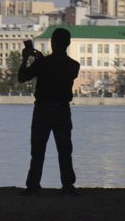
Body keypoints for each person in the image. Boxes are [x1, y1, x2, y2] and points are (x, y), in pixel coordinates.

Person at [17, 27, 80, 194]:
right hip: (62, 111)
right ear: (68, 44)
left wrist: (26, 59)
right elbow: (57, 67)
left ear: (52, 43)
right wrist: (42, 60)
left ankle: (33, 185)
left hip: (42, 111)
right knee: (65, 150)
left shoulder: (42, 63)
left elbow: (22, 77)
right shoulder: (74, 66)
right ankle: (67, 185)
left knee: (37, 150)